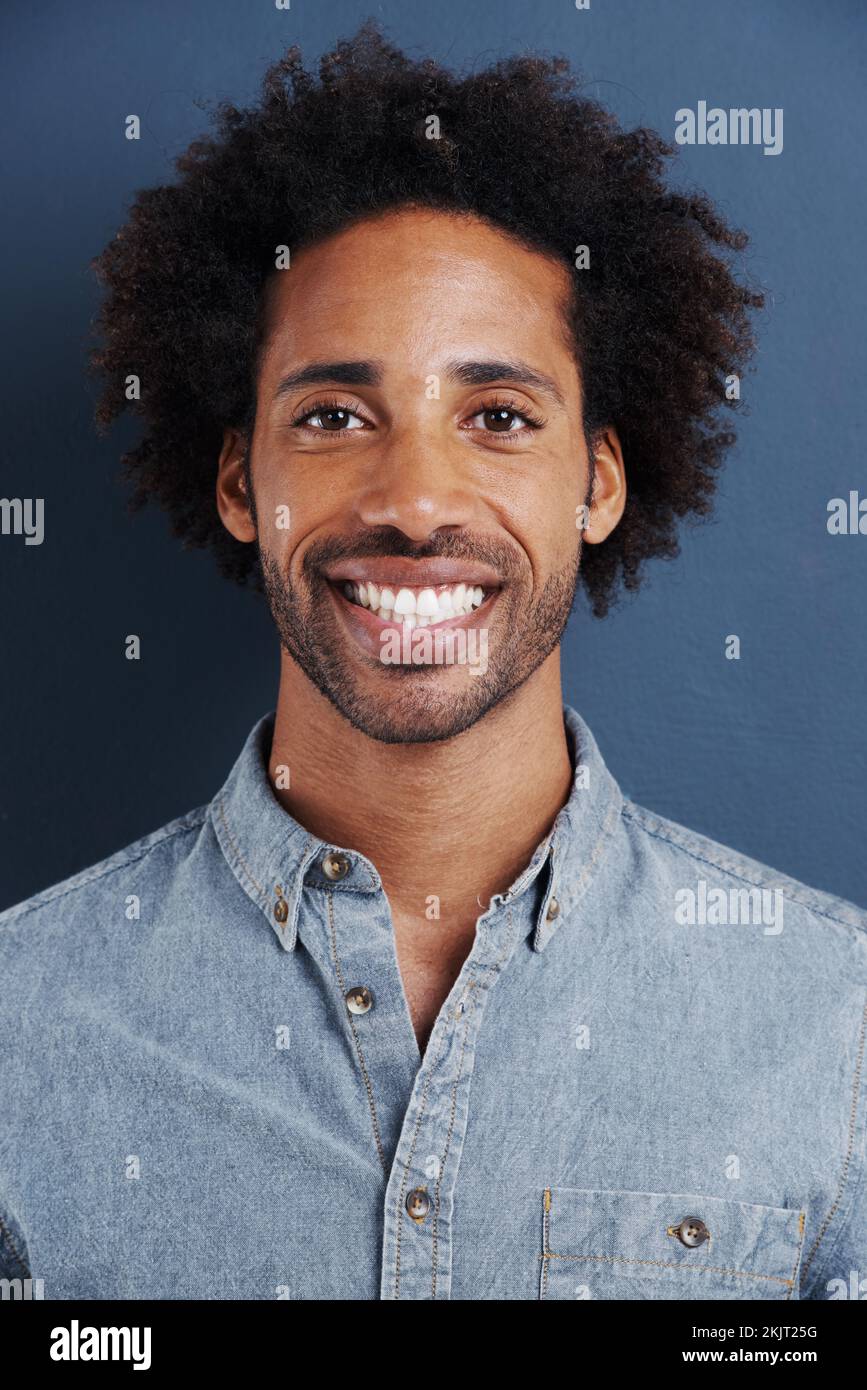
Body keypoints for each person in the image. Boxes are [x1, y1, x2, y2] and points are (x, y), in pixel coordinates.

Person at [1, 23, 864, 1301]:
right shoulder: (21, 1027)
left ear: (600, 482)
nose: (415, 500)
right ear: (241, 478)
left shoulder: (835, 1023)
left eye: (500, 417)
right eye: (336, 415)